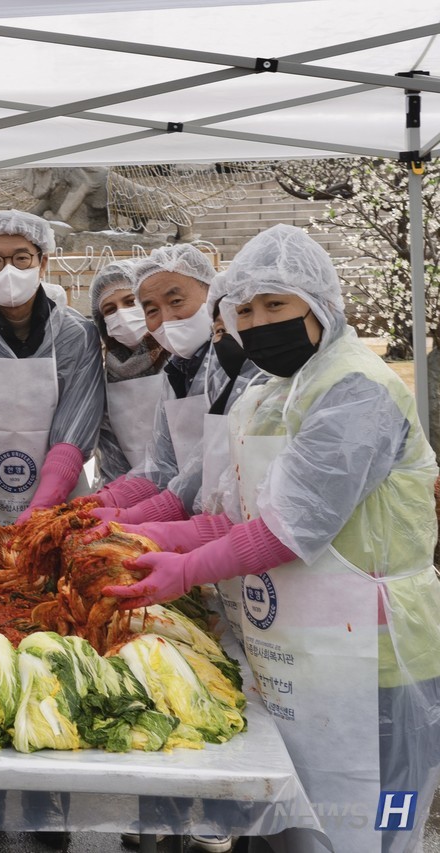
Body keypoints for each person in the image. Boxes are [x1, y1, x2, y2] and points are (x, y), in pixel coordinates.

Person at [105, 225, 440, 853]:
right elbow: (230, 515)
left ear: (319, 304)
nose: (259, 322)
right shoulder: (269, 391)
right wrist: (143, 537)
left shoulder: (355, 388)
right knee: (293, 821)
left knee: (381, 815)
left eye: (276, 305)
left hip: (380, 654)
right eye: (247, 309)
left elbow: (292, 527)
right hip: (295, 650)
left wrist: (183, 571)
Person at [0, 210, 104, 569]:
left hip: (57, 501)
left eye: (21, 257)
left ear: (43, 263)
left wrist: (41, 512)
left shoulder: (76, 334)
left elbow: (74, 430)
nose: (8, 269)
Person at [88, 244, 255, 526]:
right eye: (152, 310)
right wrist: (106, 500)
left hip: (239, 526)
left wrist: (150, 515)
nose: (167, 318)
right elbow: (162, 465)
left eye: (176, 301)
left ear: (212, 294)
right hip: (194, 523)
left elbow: (216, 465)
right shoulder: (176, 372)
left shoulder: (238, 362)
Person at [88, 259, 168, 484]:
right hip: (130, 494)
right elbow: (110, 453)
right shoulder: (106, 374)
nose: (122, 314)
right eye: (110, 309)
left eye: (130, 301)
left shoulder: (178, 355)